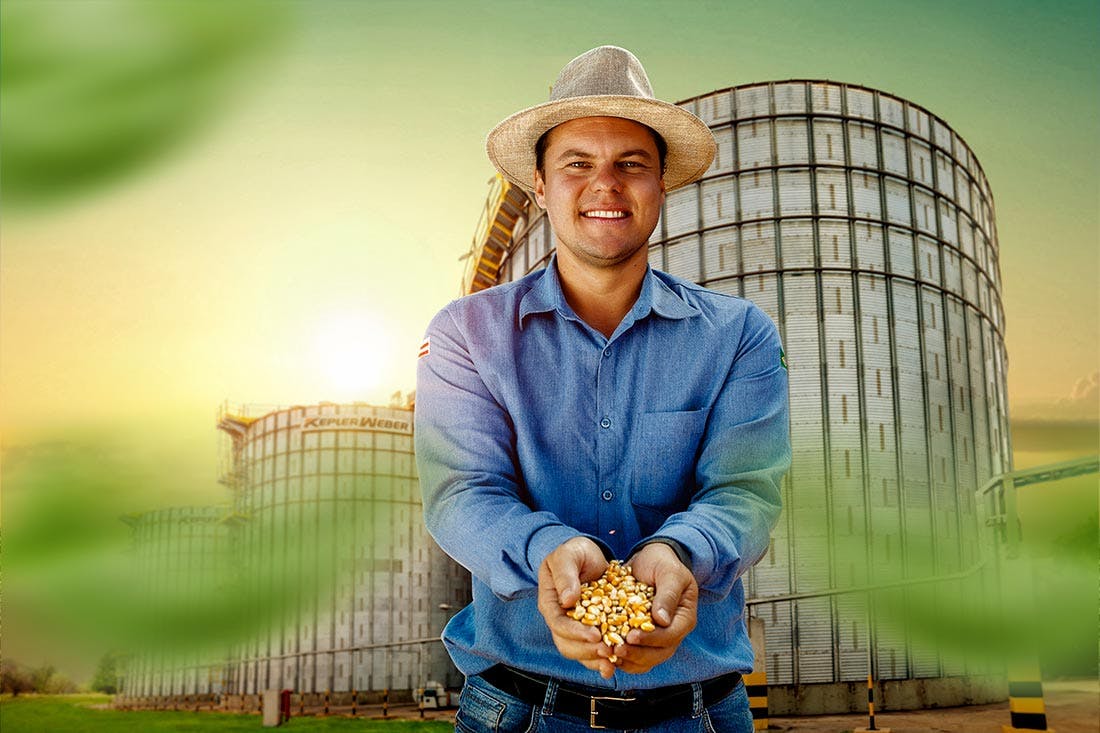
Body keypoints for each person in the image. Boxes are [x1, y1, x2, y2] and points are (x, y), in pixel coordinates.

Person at [415, 46, 790, 732]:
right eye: (578, 164)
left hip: (700, 711)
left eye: (631, 164)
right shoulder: (467, 333)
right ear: (540, 185)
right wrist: (548, 551)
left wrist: (678, 552)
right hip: (517, 710)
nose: (606, 186)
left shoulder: (740, 336)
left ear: (661, 184)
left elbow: (746, 492)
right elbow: (461, 492)